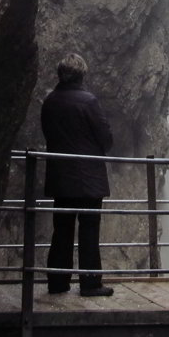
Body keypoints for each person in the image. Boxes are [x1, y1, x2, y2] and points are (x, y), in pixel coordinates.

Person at [41, 53, 114, 297]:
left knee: (61, 229)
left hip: (61, 177)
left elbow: (48, 135)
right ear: (82, 74)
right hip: (88, 178)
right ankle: (90, 284)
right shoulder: (89, 102)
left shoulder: (49, 102)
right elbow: (106, 139)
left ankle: (57, 282)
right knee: (89, 230)